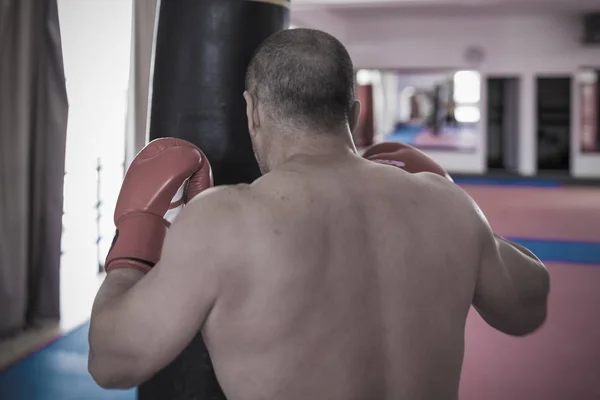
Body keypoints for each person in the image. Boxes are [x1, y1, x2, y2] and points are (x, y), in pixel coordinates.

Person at [88, 28, 550, 400]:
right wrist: (462, 213)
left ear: (252, 112)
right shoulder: (448, 206)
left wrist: (136, 238)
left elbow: (112, 361)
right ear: (353, 112)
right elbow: (527, 309)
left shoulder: (222, 220)